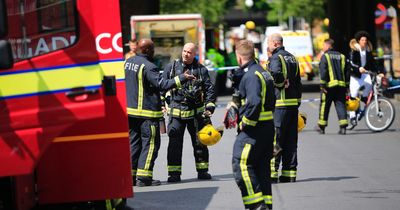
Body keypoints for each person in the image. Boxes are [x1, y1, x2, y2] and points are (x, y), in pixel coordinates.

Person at [125, 39, 194, 187]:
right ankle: (144, 178)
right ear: (149, 50)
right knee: (150, 145)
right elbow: (162, 85)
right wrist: (181, 78)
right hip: (146, 114)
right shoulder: (149, 67)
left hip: (130, 113)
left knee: (134, 144)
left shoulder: (128, 63)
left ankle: (131, 176)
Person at [162, 43, 216, 182]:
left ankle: (203, 171)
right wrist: (162, 104)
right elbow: (162, 87)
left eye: (189, 52)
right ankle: (174, 174)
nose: (186, 54)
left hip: (196, 114)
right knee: (174, 145)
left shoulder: (201, 70)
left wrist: (209, 108)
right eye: (184, 51)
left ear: (194, 54)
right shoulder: (172, 67)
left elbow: (209, 90)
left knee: (200, 144)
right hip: (176, 113)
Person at [231, 40, 275, 210]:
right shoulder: (262, 72)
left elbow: (254, 102)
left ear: (239, 56)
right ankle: (266, 205)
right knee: (261, 168)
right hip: (266, 127)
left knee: (241, 162)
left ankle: (256, 204)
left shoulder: (250, 76)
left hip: (254, 130)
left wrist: (245, 123)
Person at [267, 33, 302, 183]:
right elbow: (299, 82)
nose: (267, 46)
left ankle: (272, 173)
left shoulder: (276, 57)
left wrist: (280, 83)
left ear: (275, 44)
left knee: (277, 139)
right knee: (291, 140)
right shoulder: (292, 57)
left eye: (268, 43)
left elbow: (275, 74)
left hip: (280, 104)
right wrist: (297, 101)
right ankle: (289, 173)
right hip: (293, 104)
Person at [348, 31, 384, 125]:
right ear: (359, 41)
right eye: (362, 40)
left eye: (365, 40)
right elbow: (351, 63)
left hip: (365, 74)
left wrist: (379, 73)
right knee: (354, 96)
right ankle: (352, 117)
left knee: (369, 88)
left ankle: (363, 103)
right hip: (355, 75)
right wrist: (358, 68)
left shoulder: (368, 51)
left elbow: (373, 64)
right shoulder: (354, 50)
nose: (364, 41)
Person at [317, 39, 350, 135]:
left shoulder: (325, 56)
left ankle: (322, 127)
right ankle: (343, 127)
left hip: (328, 87)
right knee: (341, 105)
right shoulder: (342, 56)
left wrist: (323, 85)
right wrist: (347, 85)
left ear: (328, 46)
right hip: (341, 86)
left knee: (324, 106)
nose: (323, 48)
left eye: (323, 46)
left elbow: (323, 71)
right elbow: (347, 72)